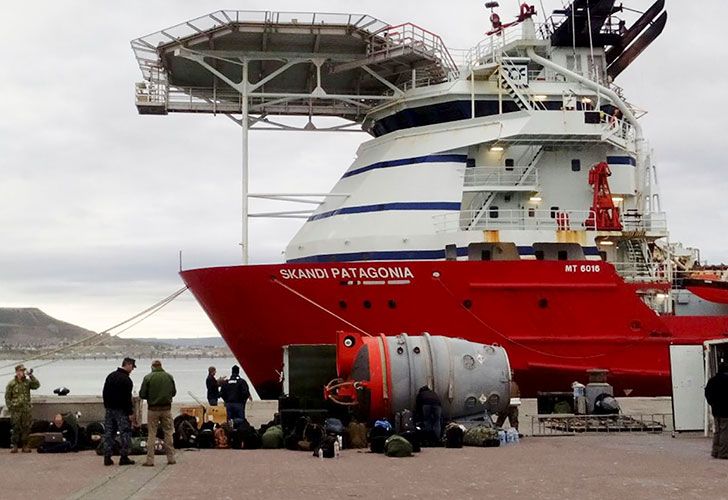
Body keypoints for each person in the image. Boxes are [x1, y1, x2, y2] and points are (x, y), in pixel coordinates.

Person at [139, 359, 177, 466]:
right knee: (168, 432)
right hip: (166, 409)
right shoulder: (169, 376)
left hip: (153, 409)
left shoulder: (148, 377)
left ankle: (150, 460)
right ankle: (171, 458)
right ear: (161, 366)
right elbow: (174, 392)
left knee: (152, 434)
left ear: (152, 367)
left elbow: (142, 394)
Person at [102, 357, 136, 466]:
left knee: (109, 433)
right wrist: (130, 412)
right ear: (128, 365)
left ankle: (107, 456)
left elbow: (104, 393)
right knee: (125, 433)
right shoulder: (126, 380)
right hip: (121, 411)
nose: (132, 370)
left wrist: (107, 406)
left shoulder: (111, 376)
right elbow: (127, 399)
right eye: (132, 367)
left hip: (109, 409)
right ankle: (124, 457)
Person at [4, 364, 40, 453]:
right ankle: (14, 445)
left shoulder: (27, 382)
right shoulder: (11, 383)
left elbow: (37, 385)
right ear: (17, 372)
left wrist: (31, 376)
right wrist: (10, 407)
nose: (23, 372)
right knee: (15, 427)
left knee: (26, 428)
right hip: (16, 410)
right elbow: (7, 397)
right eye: (21, 371)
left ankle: (25, 445)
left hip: (25, 409)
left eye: (23, 371)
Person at [705, 362, 728, 459]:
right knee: (725, 431)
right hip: (726, 410)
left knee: (717, 431)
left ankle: (715, 451)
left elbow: (707, 394)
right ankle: (723, 453)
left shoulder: (712, 381)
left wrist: (712, 403)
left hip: (716, 409)